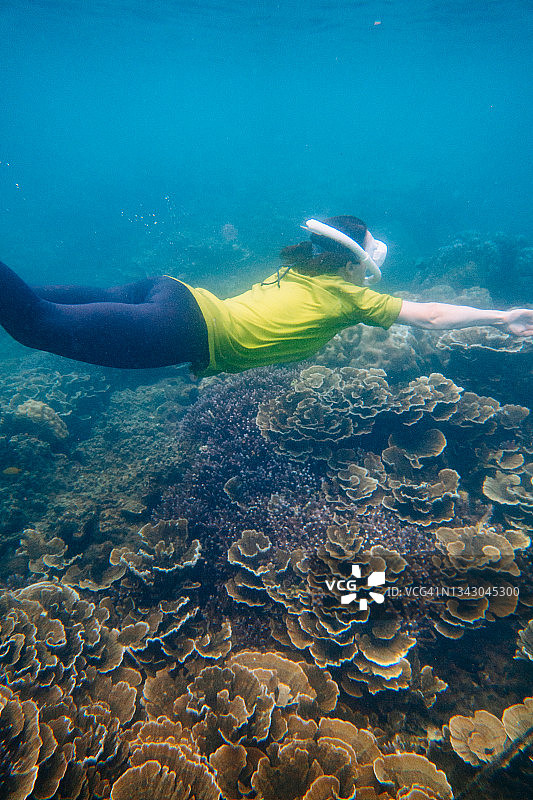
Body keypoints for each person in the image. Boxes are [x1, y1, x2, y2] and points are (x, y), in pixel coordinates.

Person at [0, 215, 532, 377]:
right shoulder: (351, 298)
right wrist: (501, 315)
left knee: (42, 306)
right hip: (183, 330)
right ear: (354, 263)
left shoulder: (297, 268)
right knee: (33, 323)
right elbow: (432, 316)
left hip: (171, 294)